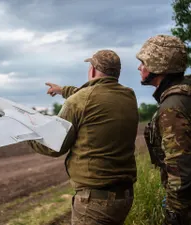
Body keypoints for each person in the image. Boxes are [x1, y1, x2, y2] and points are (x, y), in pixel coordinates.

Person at [27, 49, 139, 225]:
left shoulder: (79, 100)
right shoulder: (128, 95)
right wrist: (62, 90)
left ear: (93, 70)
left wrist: (26, 134)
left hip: (95, 202)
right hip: (124, 196)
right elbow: (95, 95)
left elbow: (53, 146)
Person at [136, 34, 191, 224]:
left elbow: (181, 171)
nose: (139, 67)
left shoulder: (172, 108)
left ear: (159, 65)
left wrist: (173, 212)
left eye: (144, 62)